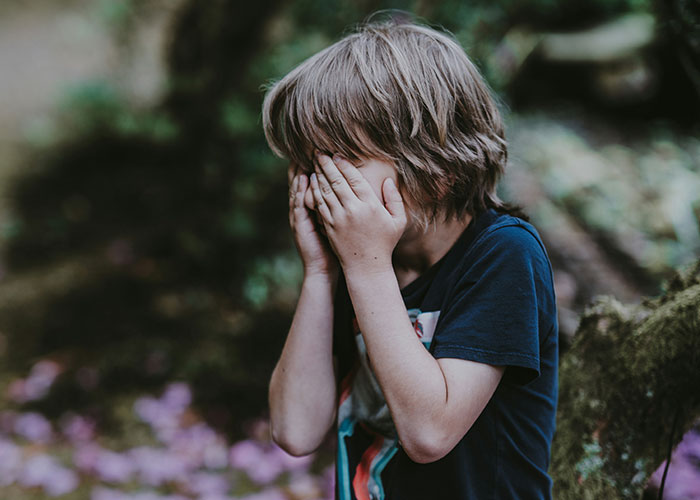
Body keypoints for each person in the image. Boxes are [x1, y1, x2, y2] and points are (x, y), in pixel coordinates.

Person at [262, 18, 558, 500]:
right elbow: (295, 429)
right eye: (313, 165)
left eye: (344, 162)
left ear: (434, 166)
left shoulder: (503, 254)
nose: (324, 185)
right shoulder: (360, 261)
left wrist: (365, 266)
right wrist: (320, 273)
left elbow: (429, 433)